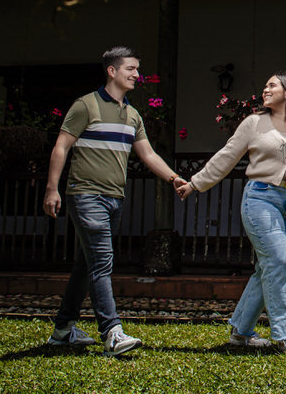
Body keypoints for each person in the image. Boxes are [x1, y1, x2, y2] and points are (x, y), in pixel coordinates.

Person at [175, 72, 286, 357]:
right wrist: (195, 183)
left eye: (272, 85)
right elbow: (226, 157)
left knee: (268, 268)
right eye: (265, 85)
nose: (265, 89)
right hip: (260, 199)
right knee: (278, 262)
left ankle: (241, 331)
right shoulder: (253, 123)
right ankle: (285, 335)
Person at [43, 46, 186, 356]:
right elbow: (61, 147)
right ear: (112, 71)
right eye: (130, 69)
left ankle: (63, 330)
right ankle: (112, 332)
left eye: (137, 69)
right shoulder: (85, 106)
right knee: (102, 262)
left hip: (114, 199)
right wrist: (52, 189)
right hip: (85, 195)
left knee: (86, 264)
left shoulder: (132, 114)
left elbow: (147, 153)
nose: (137, 74)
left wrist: (174, 178)